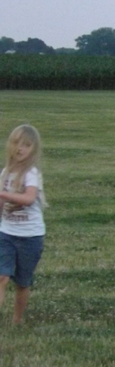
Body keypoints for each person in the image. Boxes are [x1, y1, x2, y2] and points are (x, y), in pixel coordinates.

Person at [0, 124, 47, 324]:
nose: (20, 148)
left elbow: (28, 198)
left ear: (33, 150)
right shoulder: (5, 173)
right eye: (16, 143)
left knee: (22, 282)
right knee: (2, 277)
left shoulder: (31, 173)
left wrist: (3, 194)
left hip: (30, 237)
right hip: (6, 234)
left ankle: (17, 320)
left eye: (26, 145)